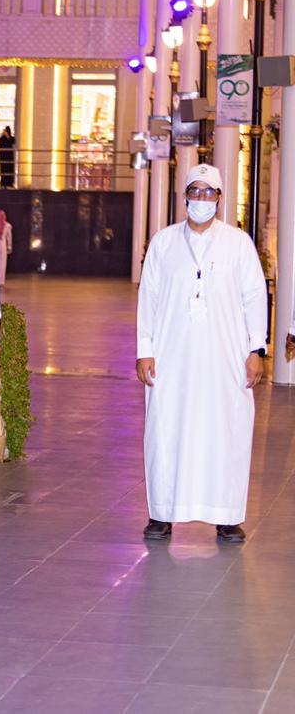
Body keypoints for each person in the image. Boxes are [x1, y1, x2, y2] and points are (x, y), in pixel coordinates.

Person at [137, 163, 266, 543]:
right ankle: (162, 513)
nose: (202, 198)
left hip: (225, 360)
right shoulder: (163, 242)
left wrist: (255, 348)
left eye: (209, 192)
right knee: (166, 429)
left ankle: (226, 515)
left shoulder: (238, 243)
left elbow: (254, 297)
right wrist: (145, 350)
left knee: (226, 430)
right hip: (171, 357)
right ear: (185, 197)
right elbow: (148, 298)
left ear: (220, 198)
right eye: (195, 191)